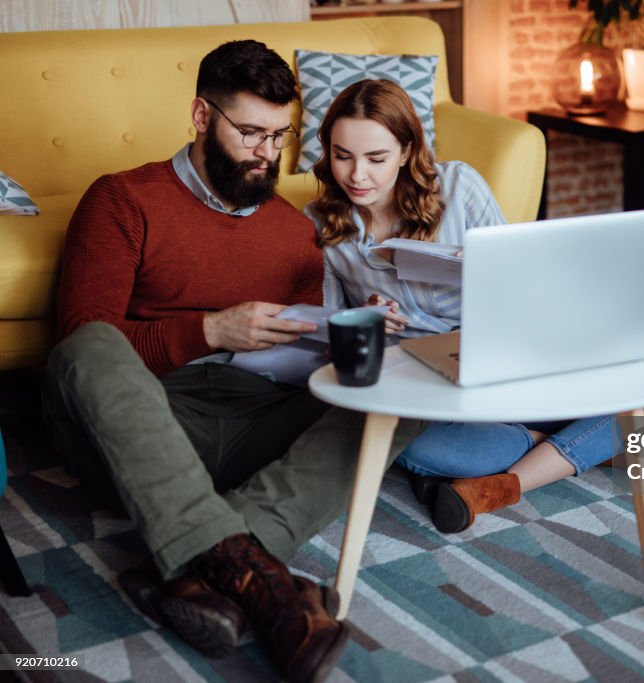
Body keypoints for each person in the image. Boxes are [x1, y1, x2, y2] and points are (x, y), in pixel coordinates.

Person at [42, 41, 424, 683]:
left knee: (404, 380)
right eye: (249, 133)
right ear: (200, 115)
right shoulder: (121, 199)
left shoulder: (294, 230)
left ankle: (210, 564)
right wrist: (208, 331)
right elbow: (84, 341)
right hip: (146, 422)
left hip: (254, 416)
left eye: (280, 136)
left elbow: (305, 346)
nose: (266, 154)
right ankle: (269, 584)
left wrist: (342, 338)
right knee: (87, 346)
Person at [307, 79, 644, 536]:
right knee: (412, 449)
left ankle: (507, 482)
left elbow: (527, 286)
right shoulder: (323, 226)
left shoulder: (458, 186)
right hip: (436, 384)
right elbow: (331, 338)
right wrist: (366, 322)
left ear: (407, 150)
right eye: (342, 155)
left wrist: (493, 269)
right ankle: (566, 440)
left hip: (514, 353)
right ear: (327, 150)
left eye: (376, 158)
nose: (357, 175)